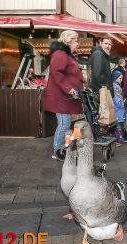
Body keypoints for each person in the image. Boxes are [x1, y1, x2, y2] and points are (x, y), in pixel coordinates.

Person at [43, 30, 83, 161]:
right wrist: (69, 88)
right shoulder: (60, 54)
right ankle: (57, 150)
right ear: (68, 41)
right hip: (61, 97)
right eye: (76, 41)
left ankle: (63, 147)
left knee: (65, 123)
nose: (77, 44)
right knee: (64, 124)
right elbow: (56, 72)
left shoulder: (66, 55)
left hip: (66, 98)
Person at [112, 70, 127, 146]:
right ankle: (118, 140)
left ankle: (119, 139)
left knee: (119, 125)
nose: (121, 80)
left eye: (122, 78)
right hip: (118, 110)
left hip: (118, 110)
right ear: (115, 78)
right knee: (118, 126)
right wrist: (123, 102)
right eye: (120, 78)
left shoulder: (116, 86)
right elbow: (117, 100)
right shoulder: (115, 87)